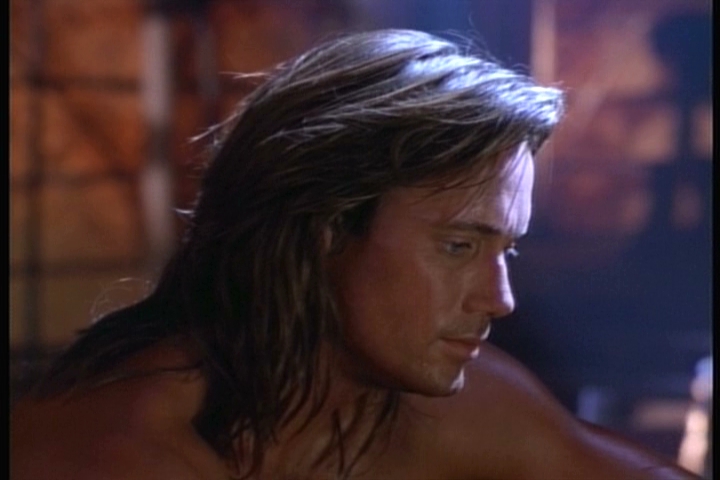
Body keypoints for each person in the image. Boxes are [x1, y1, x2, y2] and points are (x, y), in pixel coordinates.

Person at [11, 29, 698, 480]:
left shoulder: (435, 406)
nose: (499, 299)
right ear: (322, 230)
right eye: (458, 246)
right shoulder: (115, 449)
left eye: (505, 251)